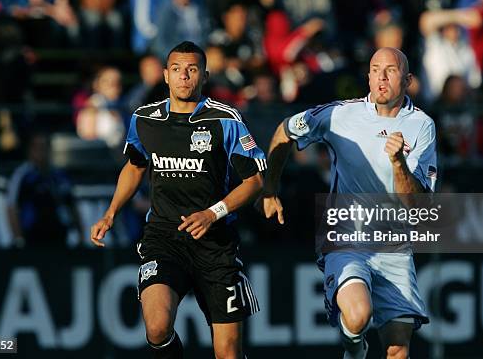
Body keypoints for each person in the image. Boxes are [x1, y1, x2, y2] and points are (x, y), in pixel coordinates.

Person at [90, 41, 265, 358]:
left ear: (205, 76)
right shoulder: (145, 119)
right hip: (164, 237)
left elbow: (254, 181)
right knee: (156, 327)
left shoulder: (225, 120)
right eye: (176, 69)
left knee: (228, 352)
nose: (184, 76)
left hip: (216, 243)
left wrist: (213, 214)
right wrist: (111, 212)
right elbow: (134, 166)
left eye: (192, 69)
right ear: (165, 76)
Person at [260, 47, 436, 358]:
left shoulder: (422, 126)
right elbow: (284, 132)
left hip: (394, 245)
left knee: (398, 350)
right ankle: (354, 348)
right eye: (375, 69)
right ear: (367, 76)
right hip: (346, 238)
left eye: (391, 70)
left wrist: (398, 163)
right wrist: (270, 189)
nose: (381, 76)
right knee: (358, 316)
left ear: (407, 80)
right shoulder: (340, 114)